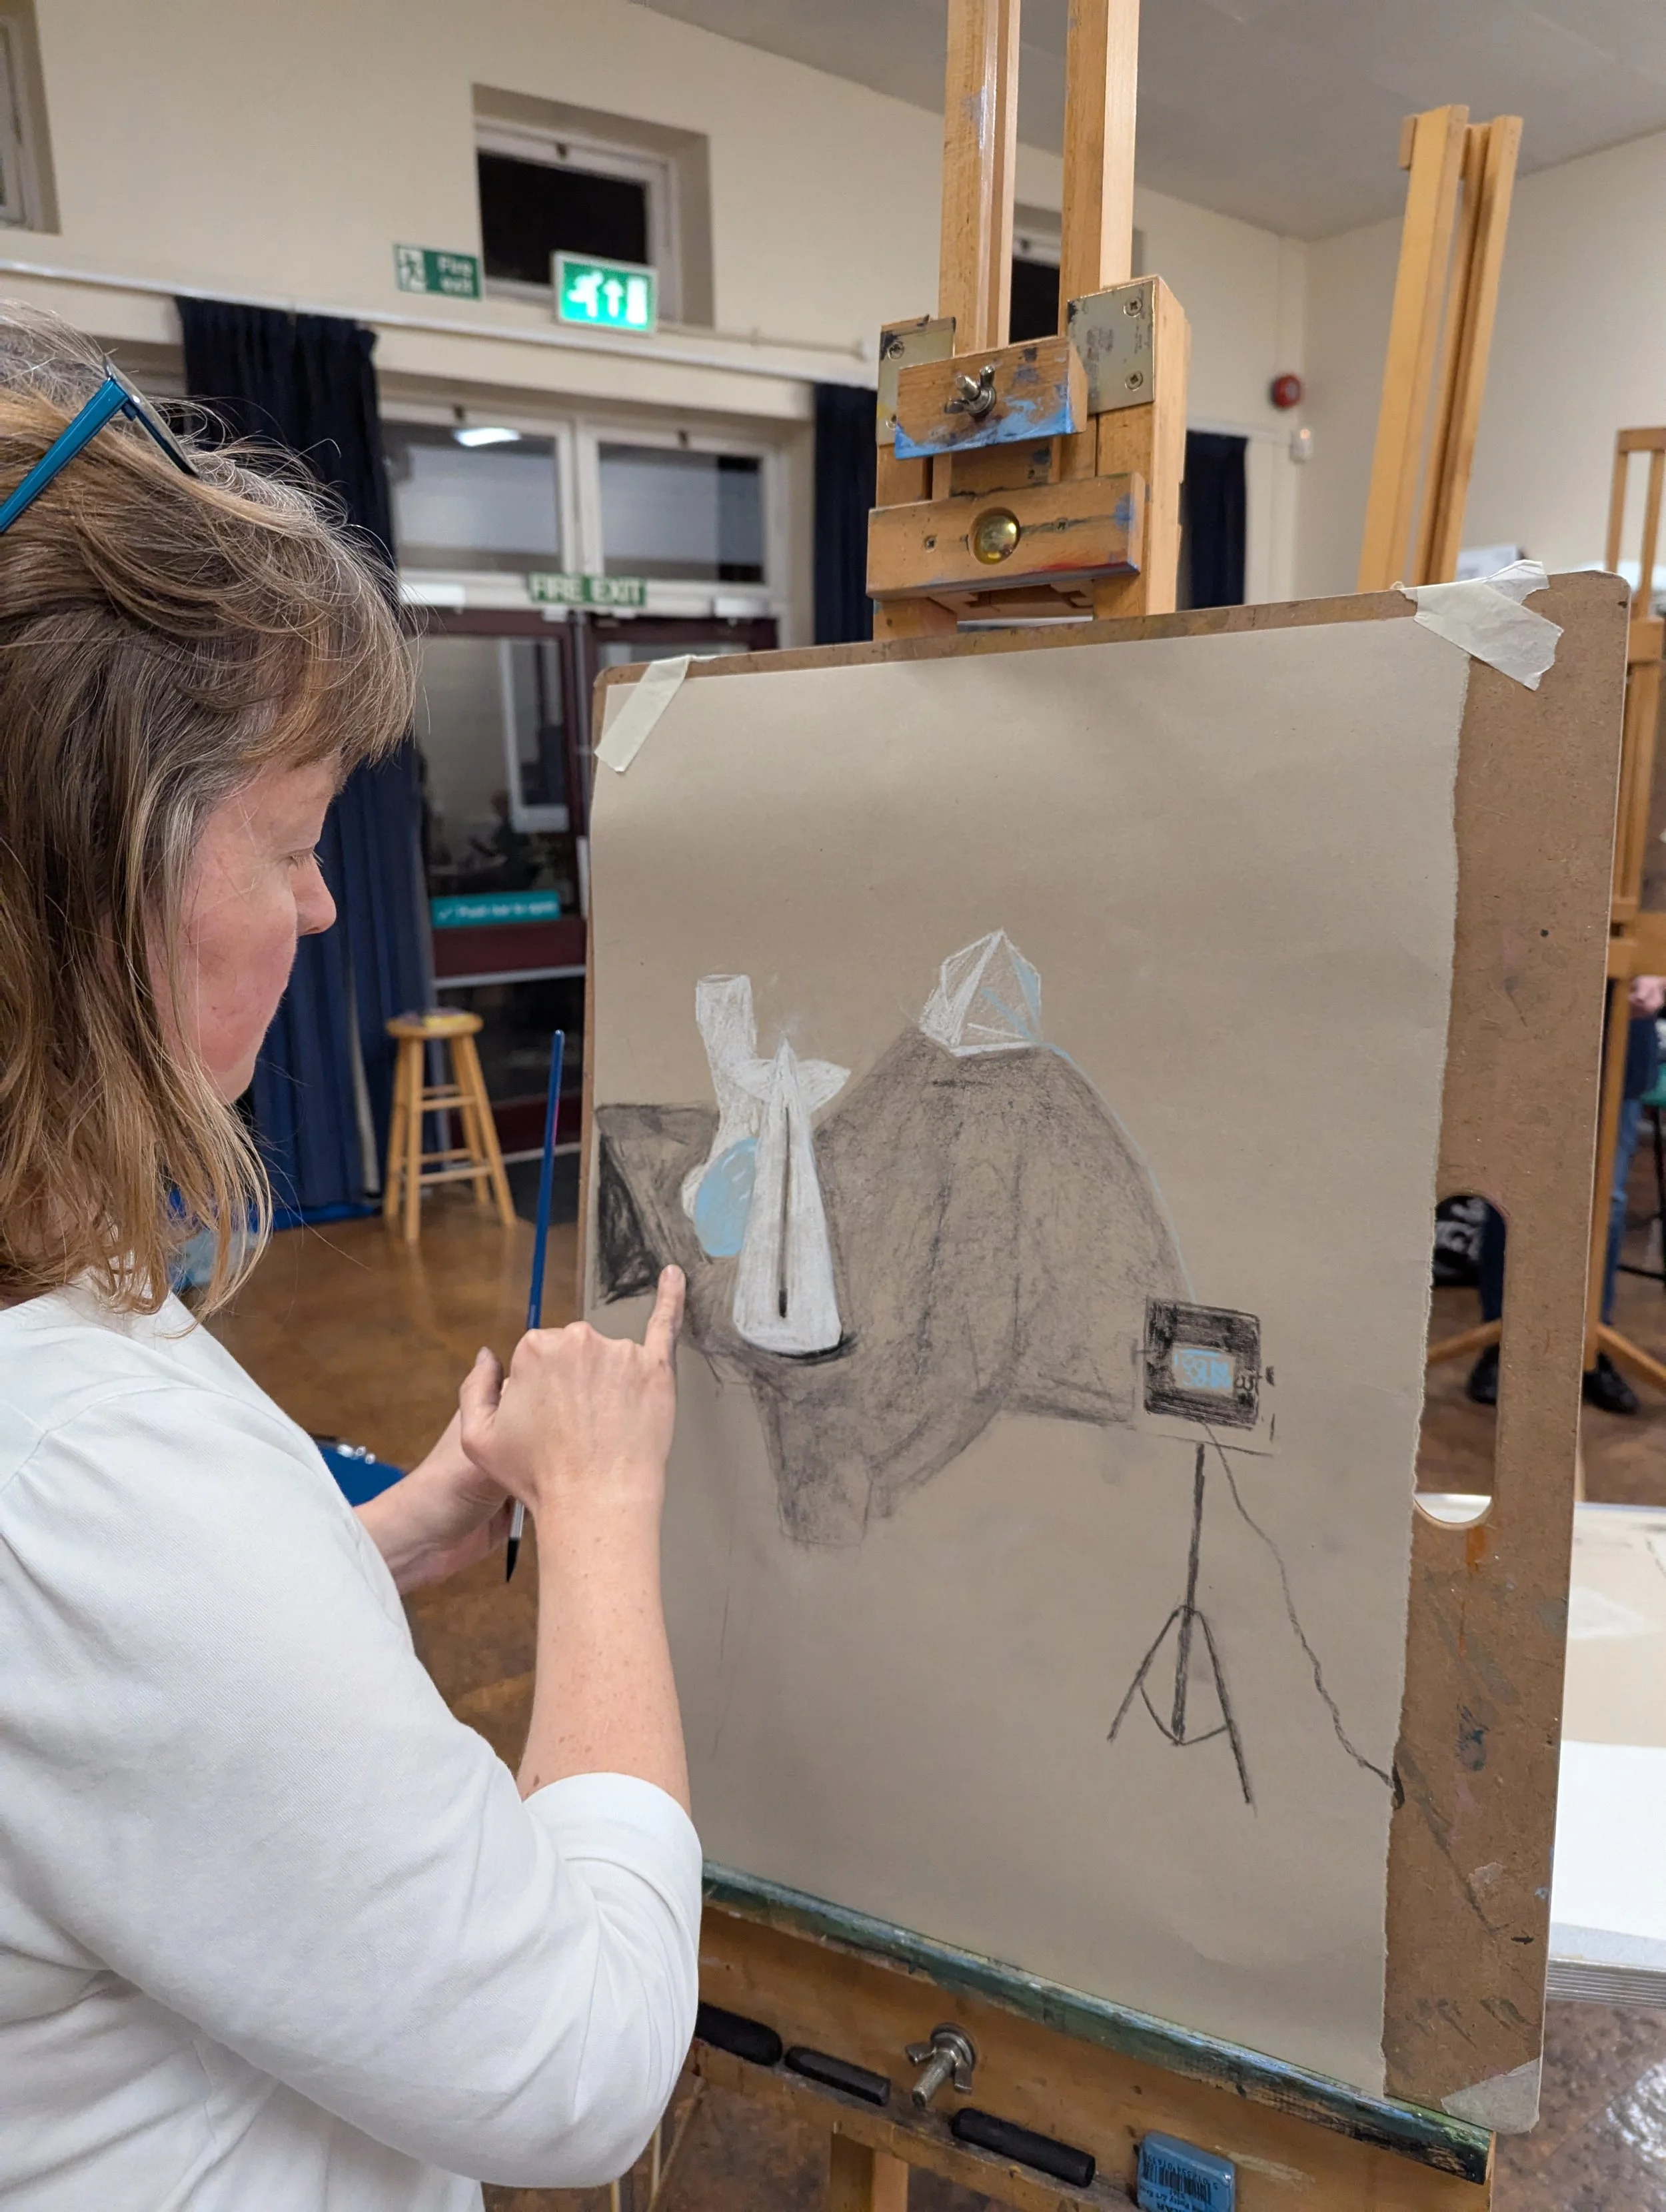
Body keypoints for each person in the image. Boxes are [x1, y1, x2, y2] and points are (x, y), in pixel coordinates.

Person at [0, 306, 696, 2211]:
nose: (324, 902)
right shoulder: (91, 1475)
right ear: (95, 871)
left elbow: (96, 1735)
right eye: (292, 838)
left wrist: (371, 1544)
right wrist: (602, 1509)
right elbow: (572, 2074)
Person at [1467, 974, 1666, 1414]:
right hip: (1531, 1006)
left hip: (1622, 1026)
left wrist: (1657, 977)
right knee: (1513, 1198)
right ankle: (1501, 1340)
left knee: (1607, 1203)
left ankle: (1591, 1344)